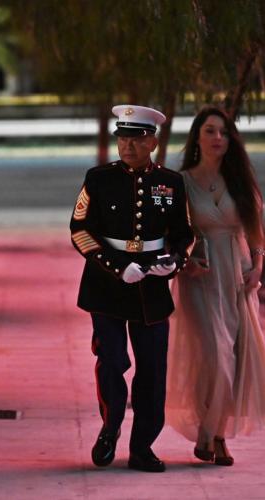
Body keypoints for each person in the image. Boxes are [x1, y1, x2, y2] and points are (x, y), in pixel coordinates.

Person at [70, 104, 194, 472]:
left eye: (137, 139)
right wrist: (117, 267)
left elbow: (184, 235)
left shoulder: (171, 183)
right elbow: (80, 230)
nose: (128, 146)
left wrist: (174, 262)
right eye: (123, 139)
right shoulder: (98, 178)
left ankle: (142, 447)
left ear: (152, 142)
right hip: (106, 285)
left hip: (151, 288)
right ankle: (110, 428)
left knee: (152, 370)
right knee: (112, 361)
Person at [165, 106, 265, 466]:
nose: (218, 138)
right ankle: (209, 432)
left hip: (236, 276)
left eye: (224, 132)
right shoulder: (181, 182)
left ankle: (215, 436)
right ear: (197, 138)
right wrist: (184, 263)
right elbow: (170, 234)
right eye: (210, 131)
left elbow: (255, 231)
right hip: (199, 278)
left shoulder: (240, 181)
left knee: (231, 358)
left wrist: (258, 266)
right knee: (214, 357)